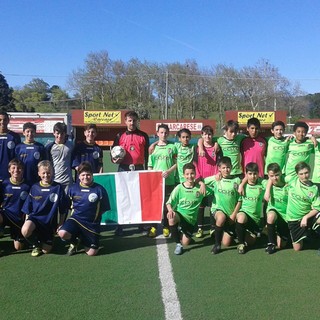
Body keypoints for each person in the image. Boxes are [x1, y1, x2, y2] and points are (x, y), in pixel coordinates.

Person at [58, 161, 110, 256]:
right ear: (78, 176)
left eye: (88, 174)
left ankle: (82, 238)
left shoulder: (99, 189)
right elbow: (68, 206)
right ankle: (74, 241)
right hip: (76, 220)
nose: (85, 177)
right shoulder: (73, 189)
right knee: (62, 233)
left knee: (91, 253)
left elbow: (104, 208)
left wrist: (93, 217)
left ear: (92, 175)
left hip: (91, 225)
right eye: (83, 175)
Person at [111, 111, 149, 236]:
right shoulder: (119, 135)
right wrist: (114, 160)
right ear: (125, 121)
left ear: (137, 121)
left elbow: (147, 155)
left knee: (139, 197)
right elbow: (113, 155)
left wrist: (147, 170)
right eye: (129, 120)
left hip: (139, 168)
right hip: (123, 168)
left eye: (134, 120)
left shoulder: (144, 135)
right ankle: (120, 226)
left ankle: (141, 224)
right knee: (122, 197)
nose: (132, 123)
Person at [21, 160, 68, 257]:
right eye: (43, 173)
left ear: (53, 172)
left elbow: (63, 208)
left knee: (46, 250)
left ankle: (47, 239)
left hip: (49, 223)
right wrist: (27, 222)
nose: (46, 175)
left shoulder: (58, 187)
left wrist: (60, 223)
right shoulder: (34, 187)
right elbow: (28, 207)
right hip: (35, 219)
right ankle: (36, 244)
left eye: (48, 172)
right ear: (39, 173)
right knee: (25, 230)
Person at [166, 163, 213, 255]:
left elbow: (214, 190)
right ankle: (178, 244)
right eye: (187, 174)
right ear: (183, 175)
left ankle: (182, 233)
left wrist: (202, 182)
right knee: (171, 217)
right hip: (180, 215)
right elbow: (168, 203)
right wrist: (170, 210)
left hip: (191, 221)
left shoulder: (200, 188)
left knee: (186, 243)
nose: (190, 176)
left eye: (192, 174)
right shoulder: (179, 188)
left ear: (195, 174)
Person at [204, 157, 241, 254]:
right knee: (221, 217)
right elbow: (202, 181)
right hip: (218, 210)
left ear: (232, 167)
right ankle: (217, 245)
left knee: (227, 243)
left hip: (231, 214)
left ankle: (224, 232)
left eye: (228, 167)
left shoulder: (237, 180)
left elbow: (240, 200)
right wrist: (213, 177)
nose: (226, 170)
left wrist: (234, 214)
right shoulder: (216, 179)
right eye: (223, 168)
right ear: (219, 168)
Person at [147, 124, 177, 238]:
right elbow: (150, 165)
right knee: (155, 204)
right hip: (156, 182)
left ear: (168, 133)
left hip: (169, 180)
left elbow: (176, 163)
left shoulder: (173, 147)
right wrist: (152, 176)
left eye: (165, 133)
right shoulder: (153, 148)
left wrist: (169, 171)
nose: (163, 135)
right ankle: (153, 227)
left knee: (166, 204)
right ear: (157, 133)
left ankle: (166, 227)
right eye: (161, 132)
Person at [286, 162, 320, 251]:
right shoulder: (291, 181)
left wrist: (306, 217)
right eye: (301, 174)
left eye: (306, 173)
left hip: (307, 217)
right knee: (297, 248)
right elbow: (273, 177)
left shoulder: (314, 188)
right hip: (293, 219)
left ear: (310, 172)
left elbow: (317, 208)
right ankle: (308, 233)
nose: (304, 176)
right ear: (297, 174)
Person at [194, 125, 220, 238]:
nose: (207, 136)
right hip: (201, 182)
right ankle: (200, 228)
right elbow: (194, 164)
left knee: (212, 206)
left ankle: (212, 227)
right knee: (201, 205)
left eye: (209, 134)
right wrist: (199, 180)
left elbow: (219, 164)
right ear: (202, 135)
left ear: (212, 135)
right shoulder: (198, 148)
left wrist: (217, 175)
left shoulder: (217, 148)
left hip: (213, 182)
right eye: (205, 134)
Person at [0, 159, 30, 251]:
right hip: (5, 215)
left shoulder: (28, 186)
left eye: (19, 168)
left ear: (23, 170)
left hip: (18, 219)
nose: (16, 170)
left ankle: (25, 237)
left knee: (18, 247)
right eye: (13, 168)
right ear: (9, 170)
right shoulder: (3, 184)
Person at [235, 162, 265, 254]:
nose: (253, 176)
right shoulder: (242, 186)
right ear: (246, 174)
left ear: (258, 173)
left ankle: (243, 233)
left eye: (255, 173)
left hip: (255, 220)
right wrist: (241, 184)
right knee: (241, 217)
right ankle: (240, 244)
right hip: (244, 214)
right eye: (250, 174)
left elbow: (271, 181)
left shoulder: (261, 184)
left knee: (251, 242)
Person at [263, 163, 289, 254]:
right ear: (268, 176)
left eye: (277, 175)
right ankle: (271, 244)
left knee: (282, 245)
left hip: (285, 217)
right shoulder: (266, 184)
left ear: (281, 173)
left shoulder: (287, 183)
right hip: (273, 212)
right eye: (272, 176)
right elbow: (250, 178)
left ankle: (277, 232)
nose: (275, 178)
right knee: (270, 216)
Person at [45, 122, 73, 194]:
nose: (59, 136)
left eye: (62, 134)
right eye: (57, 133)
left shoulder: (71, 146)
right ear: (54, 133)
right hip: (54, 181)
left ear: (65, 134)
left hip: (67, 181)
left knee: (66, 203)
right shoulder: (49, 147)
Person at [0, 111, 21, 182]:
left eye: (5, 120)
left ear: (8, 121)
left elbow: (17, 157)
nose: (2, 122)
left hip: (10, 174)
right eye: (0, 120)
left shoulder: (15, 136)